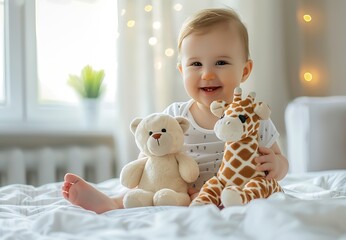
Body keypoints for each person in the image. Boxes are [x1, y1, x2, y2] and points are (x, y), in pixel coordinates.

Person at [62, 8, 289, 214]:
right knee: (150, 191)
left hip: (236, 194)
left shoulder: (253, 117)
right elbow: (151, 159)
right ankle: (112, 203)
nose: (207, 74)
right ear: (182, 70)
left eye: (220, 62)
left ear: (245, 70)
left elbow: (280, 159)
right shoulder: (176, 115)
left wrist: (277, 165)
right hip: (179, 193)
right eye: (196, 64)